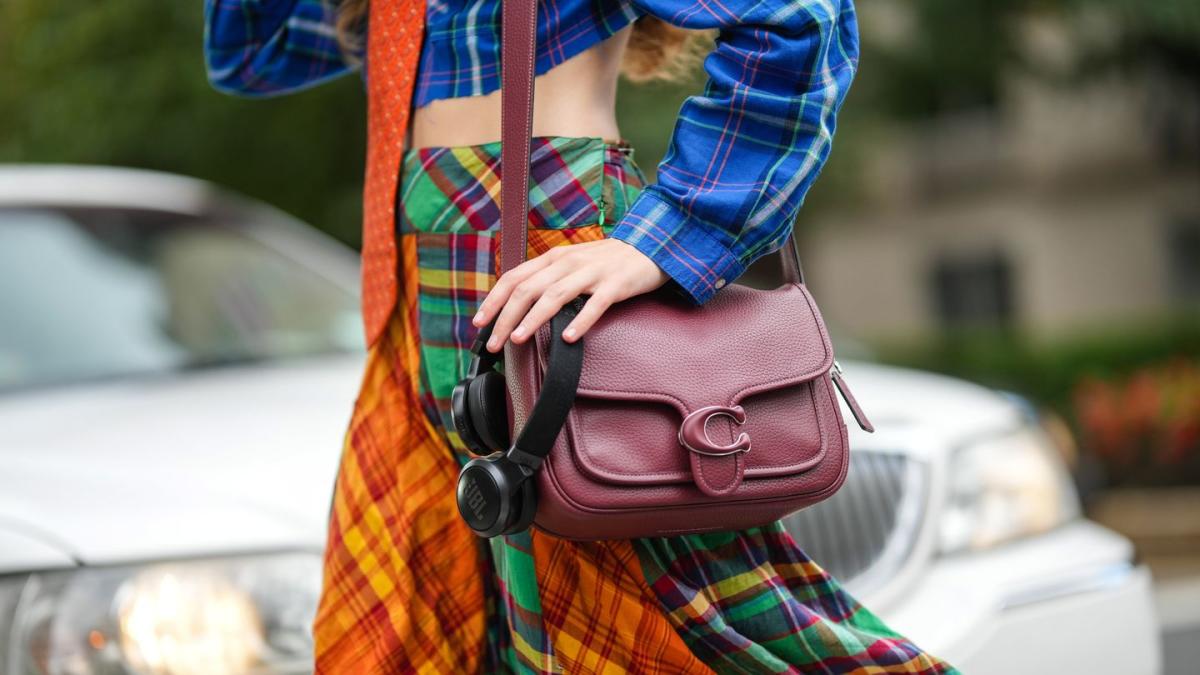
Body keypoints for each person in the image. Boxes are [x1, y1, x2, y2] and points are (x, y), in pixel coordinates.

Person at [204, 0, 958, 672]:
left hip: (550, 259)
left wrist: (669, 237)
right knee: (408, 623)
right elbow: (250, 52)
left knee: (663, 622)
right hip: (415, 293)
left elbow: (802, 18)